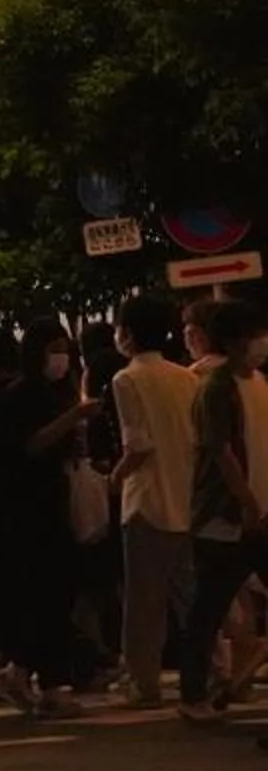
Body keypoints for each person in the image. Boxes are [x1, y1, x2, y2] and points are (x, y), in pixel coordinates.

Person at [0, 318, 96, 715]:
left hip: (50, 505)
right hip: (26, 514)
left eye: (64, 349)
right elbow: (26, 448)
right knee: (42, 596)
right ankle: (42, 682)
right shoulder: (21, 396)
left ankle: (25, 674)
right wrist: (72, 418)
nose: (60, 358)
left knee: (53, 595)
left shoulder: (54, 392)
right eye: (53, 349)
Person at [177, 299, 268, 721]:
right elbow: (221, 451)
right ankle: (192, 693)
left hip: (258, 514)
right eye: (252, 337)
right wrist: (246, 500)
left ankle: (213, 687)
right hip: (225, 518)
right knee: (208, 609)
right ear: (232, 342)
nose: (260, 344)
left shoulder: (259, 383)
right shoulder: (215, 389)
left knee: (210, 607)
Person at [108, 294, 199, 710]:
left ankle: (143, 682)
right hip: (187, 498)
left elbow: (138, 445)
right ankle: (209, 672)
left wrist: (114, 476)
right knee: (192, 597)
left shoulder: (126, 379)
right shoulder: (187, 377)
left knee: (144, 601)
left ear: (126, 333)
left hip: (145, 502)